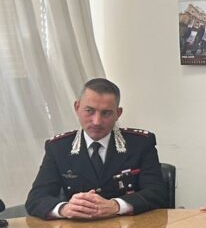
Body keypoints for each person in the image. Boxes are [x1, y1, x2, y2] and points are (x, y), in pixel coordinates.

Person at [25, 78, 167, 219]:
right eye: (89, 111)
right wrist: (65, 209)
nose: (97, 121)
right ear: (77, 107)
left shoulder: (140, 143)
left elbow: (157, 193)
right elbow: (36, 199)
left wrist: (116, 206)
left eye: (106, 113)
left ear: (118, 113)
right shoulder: (58, 148)